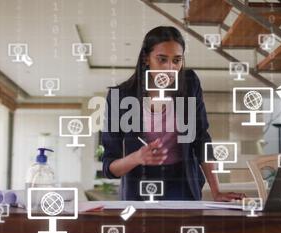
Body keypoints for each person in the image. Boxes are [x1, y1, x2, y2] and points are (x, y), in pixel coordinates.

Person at [102, 26, 245, 201]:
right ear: (146, 58)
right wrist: (137, 157)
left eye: (176, 60)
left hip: (182, 180)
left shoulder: (189, 83)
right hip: (139, 184)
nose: (170, 68)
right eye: (162, 59)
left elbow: (201, 139)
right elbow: (109, 168)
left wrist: (216, 191)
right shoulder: (120, 96)